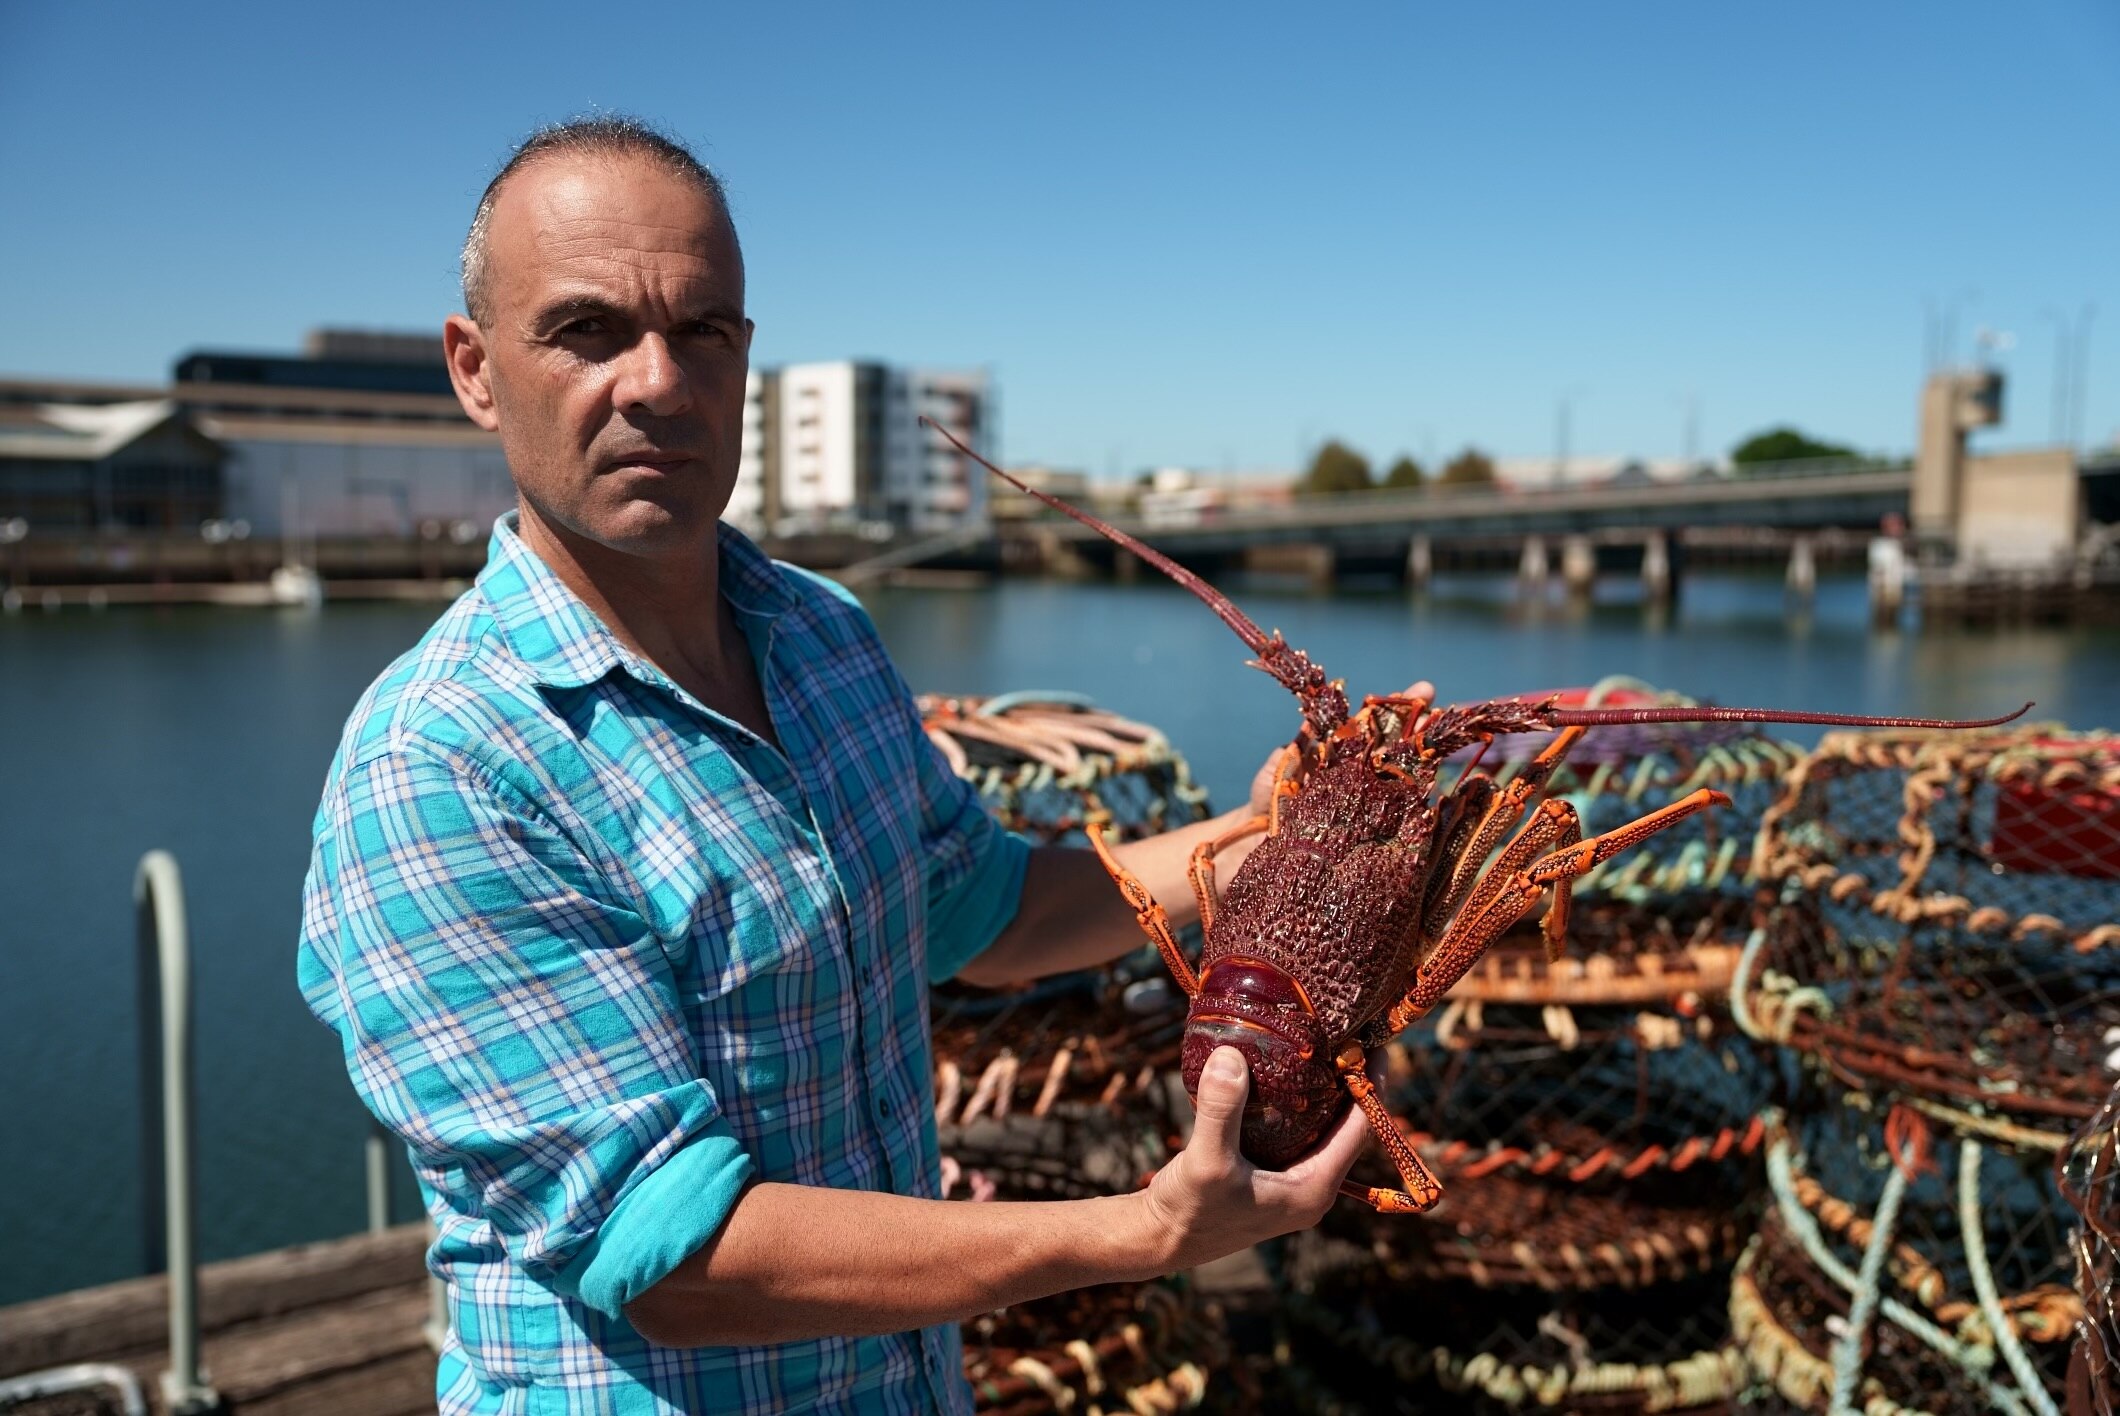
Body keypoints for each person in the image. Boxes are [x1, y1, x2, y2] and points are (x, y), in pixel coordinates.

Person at [298, 116, 1393, 1414]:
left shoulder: (823, 636)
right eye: (588, 331)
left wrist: (1275, 842)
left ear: (744, 359)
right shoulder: (442, 767)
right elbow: (675, 1258)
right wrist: (1143, 1232)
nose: (657, 381)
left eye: (703, 330)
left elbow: (988, 907)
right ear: (476, 370)